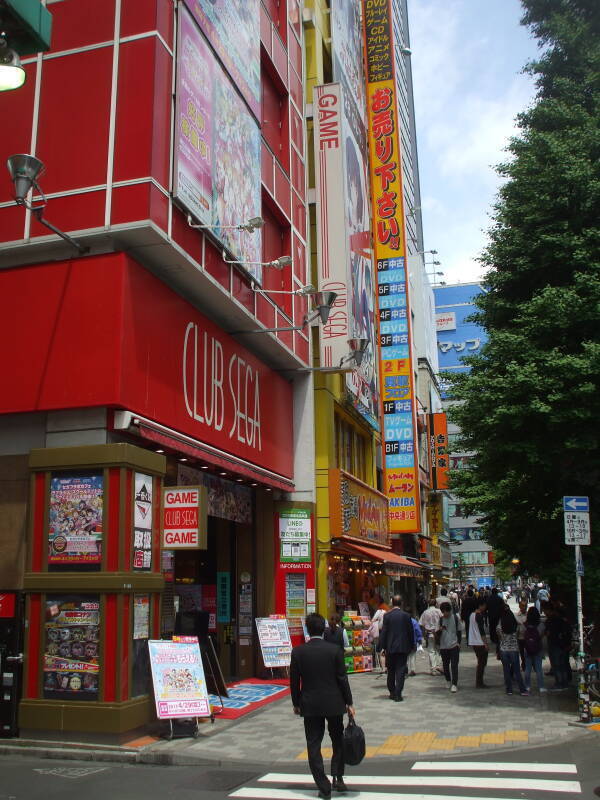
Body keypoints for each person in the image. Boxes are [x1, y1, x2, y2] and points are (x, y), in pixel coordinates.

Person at [290, 613, 354, 798]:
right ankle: (338, 777)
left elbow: (294, 681)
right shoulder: (334, 650)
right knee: (337, 739)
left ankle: (323, 786)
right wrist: (349, 702)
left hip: (309, 704)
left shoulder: (298, 651)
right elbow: (342, 679)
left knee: (313, 744)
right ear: (323, 629)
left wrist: (296, 703)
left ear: (308, 630)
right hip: (334, 702)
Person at [379, 595, 415, 701]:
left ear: (392, 603)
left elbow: (384, 632)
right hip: (403, 647)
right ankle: (398, 693)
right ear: (401, 603)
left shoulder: (387, 616)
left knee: (391, 670)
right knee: (400, 670)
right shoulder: (406, 616)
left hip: (390, 648)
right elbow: (410, 632)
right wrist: (412, 645)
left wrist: (382, 647)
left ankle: (392, 692)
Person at [496, 604, 528, 695]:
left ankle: (509, 689)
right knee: (517, 671)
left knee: (506, 671)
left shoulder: (500, 624)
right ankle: (522, 689)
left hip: (504, 649)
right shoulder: (515, 625)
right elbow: (520, 632)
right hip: (514, 649)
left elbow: (499, 636)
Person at [545, 602, 572, 690]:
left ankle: (559, 683)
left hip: (555, 645)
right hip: (563, 645)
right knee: (563, 664)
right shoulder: (563, 620)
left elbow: (548, 633)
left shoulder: (551, 620)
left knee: (556, 665)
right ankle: (565, 682)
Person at [438, 601, 461, 692]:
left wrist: (458, 643)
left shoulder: (455, 618)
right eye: (443, 612)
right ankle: (448, 680)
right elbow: (437, 632)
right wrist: (440, 629)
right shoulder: (440, 619)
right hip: (443, 646)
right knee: (445, 665)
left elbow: (459, 630)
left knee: (454, 665)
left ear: (449, 610)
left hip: (454, 645)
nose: (445, 614)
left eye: (446, 612)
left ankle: (454, 684)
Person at [523, 605, 546, 693]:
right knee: (538, 668)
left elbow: (522, 636)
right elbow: (542, 634)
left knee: (527, 668)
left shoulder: (525, 625)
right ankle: (541, 686)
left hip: (527, 648)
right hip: (538, 648)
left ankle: (527, 686)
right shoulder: (540, 625)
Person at [468, 597, 490, 688]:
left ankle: (479, 681)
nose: (485, 607)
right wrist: (486, 643)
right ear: (481, 605)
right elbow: (481, 631)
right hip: (479, 642)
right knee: (482, 663)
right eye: (484, 605)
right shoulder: (479, 616)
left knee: (480, 662)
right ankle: (479, 682)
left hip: (473, 641)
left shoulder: (472, 615)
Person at [419, 598, 443, 675]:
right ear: (436, 604)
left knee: (431, 651)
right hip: (438, 633)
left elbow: (421, 624)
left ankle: (433, 669)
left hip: (429, 633)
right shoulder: (439, 611)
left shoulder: (425, 612)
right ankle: (438, 666)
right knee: (438, 650)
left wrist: (423, 635)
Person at [407, 609, 423, 676]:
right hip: (413, 641)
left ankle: (405, 669)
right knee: (412, 656)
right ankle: (412, 669)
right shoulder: (414, 621)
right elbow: (418, 631)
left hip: (404, 642)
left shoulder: (402, 621)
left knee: (406, 657)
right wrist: (419, 640)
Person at [515, 599, 529, 670]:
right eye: (522, 606)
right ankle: (523, 664)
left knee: (528, 651)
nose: (524, 607)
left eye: (525, 606)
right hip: (520, 637)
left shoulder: (529, 615)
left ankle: (529, 664)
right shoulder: (516, 616)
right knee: (522, 652)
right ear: (520, 606)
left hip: (528, 637)